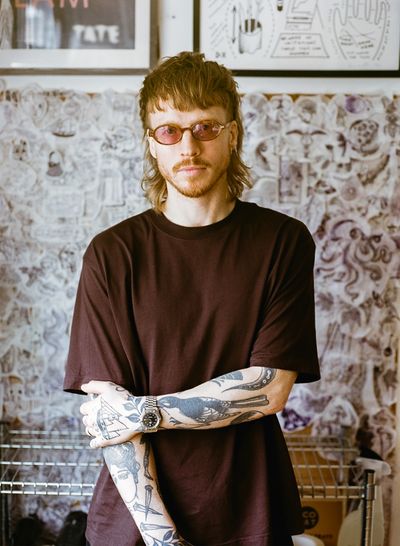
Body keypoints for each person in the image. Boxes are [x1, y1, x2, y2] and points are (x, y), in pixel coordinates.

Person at [64, 51, 320, 546]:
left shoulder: (283, 242)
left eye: (205, 127)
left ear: (232, 134)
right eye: (169, 131)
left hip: (249, 513)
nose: (188, 146)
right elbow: (109, 410)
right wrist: (165, 539)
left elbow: (269, 389)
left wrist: (145, 412)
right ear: (151, 144)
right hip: (137, 522)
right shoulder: (112, 254)